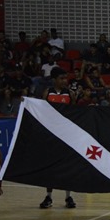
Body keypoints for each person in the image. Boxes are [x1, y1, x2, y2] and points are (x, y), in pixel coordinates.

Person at [41, 67, 76, 209]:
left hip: (66, 135)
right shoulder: (47, 93)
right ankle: (49, 196)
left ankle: (68, 196)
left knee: (67, 166)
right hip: (51, 134)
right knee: (50, 167)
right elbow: (41, 111)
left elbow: (75, 114)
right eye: (61, 78)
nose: (64, 81)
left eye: (65, 78)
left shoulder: (70, 94)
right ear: (54, 79)